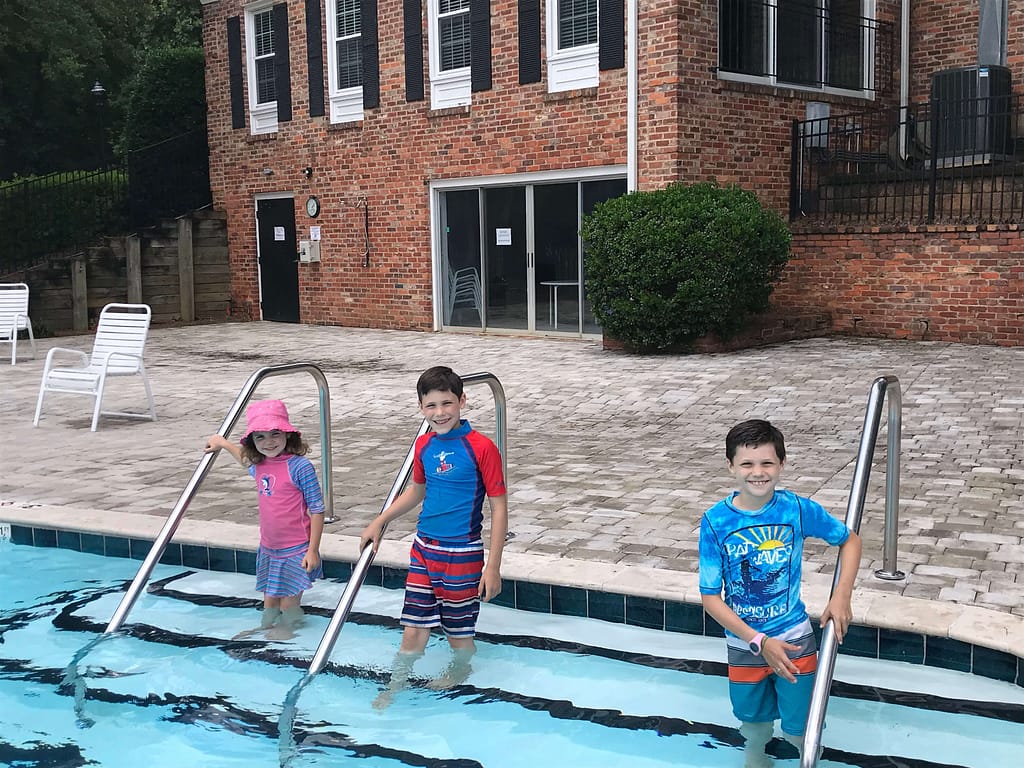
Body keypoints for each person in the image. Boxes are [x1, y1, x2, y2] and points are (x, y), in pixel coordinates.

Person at [698, 419, 862, 768]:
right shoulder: (715, 522)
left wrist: (841, 596)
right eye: (747, 463)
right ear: (731, 467)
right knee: (753, 726)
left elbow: (849, 540)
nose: (757, 472)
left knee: (801, 730)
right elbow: (711, 596)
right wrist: (759, 641)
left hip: (793, 639)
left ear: (781, 465)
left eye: (767, 463)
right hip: (745, 645)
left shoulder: (797, 510)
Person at [360, 365, 508, 708]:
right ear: (420, 408)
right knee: (413, 627)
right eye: (431, 406)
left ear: (462, 402)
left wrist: (493, 567)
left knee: (458, 634)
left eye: (447, 403)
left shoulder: (481, 447)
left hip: (463, 553)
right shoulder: (423, 444)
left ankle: (461, 671)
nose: (439, 413)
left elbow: (499, 508)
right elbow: (416, 493)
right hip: (424, 549)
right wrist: (378, 522)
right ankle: (395, 685)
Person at [206, 399, 325, 640]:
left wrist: (313, 550)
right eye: (260, 437)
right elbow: (243, 458)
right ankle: (266, 627)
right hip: (270, 548)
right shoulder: (260, 465)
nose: (268, 442)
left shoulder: (300, 467)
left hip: (296, 550)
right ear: (252, 442)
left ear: (288, 435)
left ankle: (289, 630)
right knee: (270, 600)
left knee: (287, 604)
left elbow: (317, 509)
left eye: (274, 434)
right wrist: (221, 442)